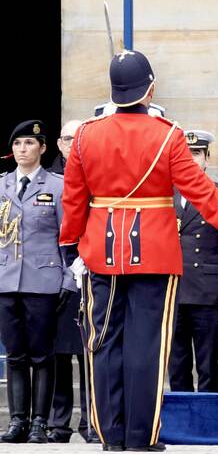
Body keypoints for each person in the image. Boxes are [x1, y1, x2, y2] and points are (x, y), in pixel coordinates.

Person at [59, 50, 218, 452]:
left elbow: (73, 199)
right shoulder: (167, 134)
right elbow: (202, 193)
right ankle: (140, 435)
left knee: (103, 343)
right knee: (146, 346)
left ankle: (110, 434)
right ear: (150, 89)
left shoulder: (85, 134)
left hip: (100, 251)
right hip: (152, 250)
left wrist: (71, 249)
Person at [0, 120, 75, 443]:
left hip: (44, 280)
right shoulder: (1, 185)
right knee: (15, 354)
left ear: (43, 148)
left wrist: (69, 280)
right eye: (17, 144)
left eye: (29, 143)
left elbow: (70, 239)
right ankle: (17, 421)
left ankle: (40, 423)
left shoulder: (57, 186)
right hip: (6, 280)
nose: (22, 150)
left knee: (42, 355)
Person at [168, 130, 218, 393]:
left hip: (206, 290)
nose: (191, 158)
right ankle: (182, 425)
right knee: (176, 364)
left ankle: (208, 423)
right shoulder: (164, 194)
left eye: (197, 153)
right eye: (186, 153)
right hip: (172, 289)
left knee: (207, 364)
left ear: (207, 159)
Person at [46, 119, 97, 444]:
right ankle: (59, 423)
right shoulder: (49, 179)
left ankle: (91, 422)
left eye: (79, 137)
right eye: (67, 138)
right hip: (55, 278)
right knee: (59, 357)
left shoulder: (98, 174)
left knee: (90, 354)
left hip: (90, 276)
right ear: (59, 143)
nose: (72, 142)